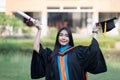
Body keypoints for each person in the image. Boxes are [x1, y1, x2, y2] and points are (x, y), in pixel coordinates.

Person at [31, 20, 107, 80]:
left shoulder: (77, 52)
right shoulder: (51, 55)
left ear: (70, 38)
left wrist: (95, 31)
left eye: (66, 36)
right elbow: (36, 47)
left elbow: (94, 50)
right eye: (61, 35)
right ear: (57, 37)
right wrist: (39, 30)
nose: (63, 38)